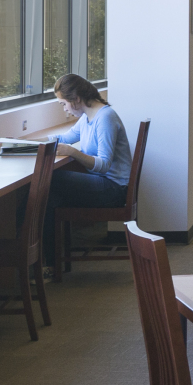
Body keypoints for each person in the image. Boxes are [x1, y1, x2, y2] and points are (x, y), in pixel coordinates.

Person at [41, 73, 131, 252]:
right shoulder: (87, 117)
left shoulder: (105, 117)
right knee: (49, 197)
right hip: (102, 183)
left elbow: (104, 164)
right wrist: (28, 143)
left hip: (114, 189)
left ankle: (41, 252)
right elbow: (66, 137)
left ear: (76, 99)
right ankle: (50, 262)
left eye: (63, 104)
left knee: (51, 179)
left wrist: (73, 152)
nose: (65, 109)